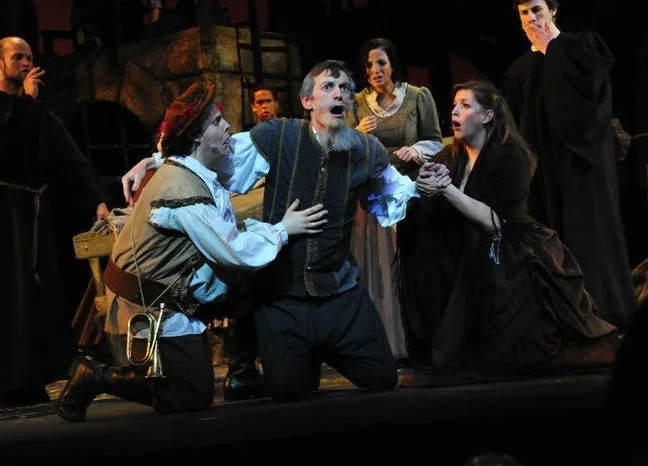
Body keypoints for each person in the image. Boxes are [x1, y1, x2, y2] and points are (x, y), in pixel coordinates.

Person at [122, 60, 434, 402]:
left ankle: (322, 346)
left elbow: (395, 190)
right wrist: (155, 160)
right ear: (307, 101)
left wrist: (422, 184)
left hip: (340, 291)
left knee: (381, 376)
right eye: (328, 87)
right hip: (284, 295)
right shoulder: (279, 135)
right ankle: (279, 358)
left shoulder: (366, 150)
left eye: (345, 88)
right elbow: (219, 150)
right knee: (288, 389)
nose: (338, 93)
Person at [55, 81, 328, 422]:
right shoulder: (182, 191)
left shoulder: (196, 169)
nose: (227, 126)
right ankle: (95, 374)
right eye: (216, 122)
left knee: (254, 286)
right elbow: (234, 250)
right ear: (197, 138)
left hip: (173, 295)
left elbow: (243, 151)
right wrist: (283, 229)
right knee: (190, 395)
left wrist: (152, 159)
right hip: (150, 304)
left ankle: (244, 370)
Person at [394, 81, 617, 385]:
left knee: (524, 350)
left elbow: (495, 223)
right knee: (419, 239)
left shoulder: (512, 157)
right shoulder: (450, 155)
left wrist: (445, 189)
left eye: (465, 105)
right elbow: (426, 199)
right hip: (463, 245)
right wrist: (423, 184)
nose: (455, 112)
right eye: (454, 105)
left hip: (509, 248)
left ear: (487, 116)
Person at [0, 36, 112, 408]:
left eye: (30, 58)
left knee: (30, 294)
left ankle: (28, 378)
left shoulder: (35, 109)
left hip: (27, 211)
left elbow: (69, 156)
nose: (26, 64)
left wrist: (97, 199)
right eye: (18, 57)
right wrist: (25, 101)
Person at [500, 0, 637, 329]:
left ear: (553, 10)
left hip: (584, 166)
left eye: (536, 10)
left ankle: (607, 315)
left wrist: (552, 49)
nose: (531, 19)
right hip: (544, 172)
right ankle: (564, 322)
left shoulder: (581, 46)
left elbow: (591, 103)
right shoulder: (519, 71)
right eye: (524, 14)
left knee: (591, 236)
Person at [346, 37, 444, 361]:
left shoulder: (416, 96)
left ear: (392, 65)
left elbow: (435, 140)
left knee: (409, 267)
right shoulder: (356, 104)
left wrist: (415, 149)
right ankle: (381, 344)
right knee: (376, 270)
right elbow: (342, 149)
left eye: (381, 63)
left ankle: (413, 341)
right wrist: (359, 133)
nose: (375, 70)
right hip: (373, 198)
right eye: (369, 65)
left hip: (409, 191)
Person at [221, 84, 280, 402]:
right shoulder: (246, 142)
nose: (265, 106)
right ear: (254, 108)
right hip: (247, 228)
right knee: (247, 289)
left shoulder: (285, 135)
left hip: (274, 225)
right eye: (259, 102)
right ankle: (242, 370)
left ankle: (255, 367)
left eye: (269, 101)